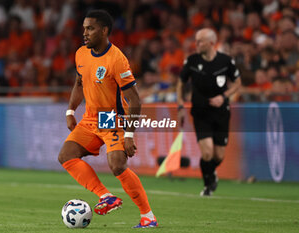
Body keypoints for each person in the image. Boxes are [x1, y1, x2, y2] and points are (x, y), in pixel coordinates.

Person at [57, 10, 158, 228]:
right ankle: (106, 196)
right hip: (90, 117)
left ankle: (148, 216)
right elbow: (78, 83)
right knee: (66, 156)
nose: (84, 33)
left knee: (117, 166)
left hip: (111, 117)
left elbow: (135, 100)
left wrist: (129, 135)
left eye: (90, 28)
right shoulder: (81, 54)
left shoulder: (117, 60)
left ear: (104, 31)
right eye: (84, 28)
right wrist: (70, 111)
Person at [177, 28, 241, 196]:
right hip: (200, 112)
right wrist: (180, 104)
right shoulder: (191, 61)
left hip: (221, 112)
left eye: (200, 41)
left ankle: (211, 173)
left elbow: (237, 83)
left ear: (212, 43)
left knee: (218, 156)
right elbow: (180, 82)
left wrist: (223, 96)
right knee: (207, 152)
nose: (196, 44)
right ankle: (207, 186)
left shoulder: (225, 61)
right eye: (196, 41)